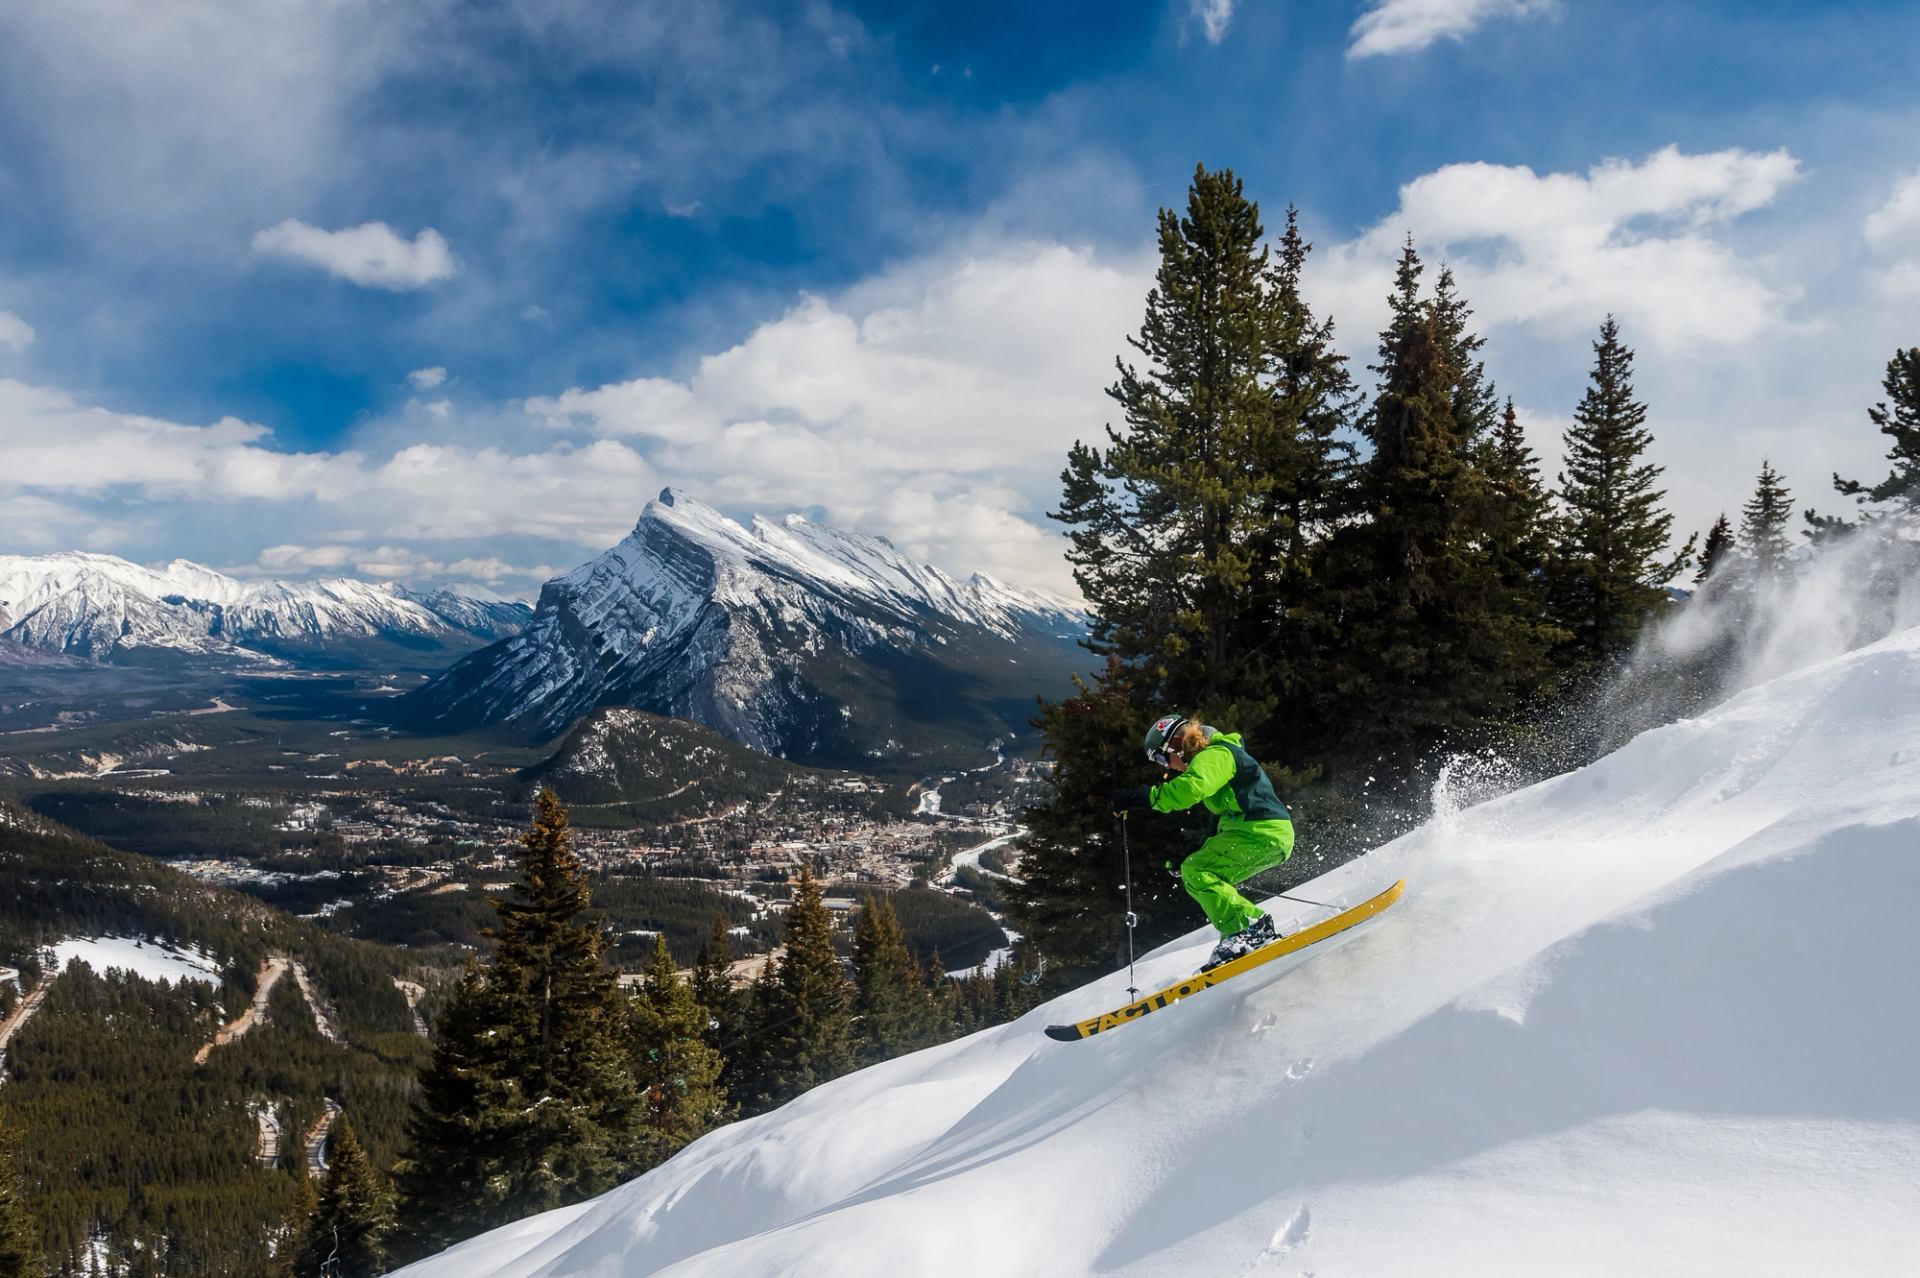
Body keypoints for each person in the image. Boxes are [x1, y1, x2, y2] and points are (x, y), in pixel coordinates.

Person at [1110, 713, 1295, 969]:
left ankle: (1249, 928)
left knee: (1198, 870)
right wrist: (1190, 851)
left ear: (1176, 743)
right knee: (1199, 869)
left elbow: (1191, 789)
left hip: (1260, 832)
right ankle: (1242, 933)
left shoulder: (1217, 753)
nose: (1166, 766)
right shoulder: (1216, 757)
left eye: (1162, 757)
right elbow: (1216, 822)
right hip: (1261, 833)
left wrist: (1144, 797)